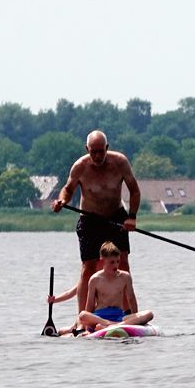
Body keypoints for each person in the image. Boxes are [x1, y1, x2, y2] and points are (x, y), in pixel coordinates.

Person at [51, 130, 141, 319]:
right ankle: (83, 318)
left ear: (107, 148)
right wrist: (62, 201)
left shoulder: (120, 162)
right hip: (89, 220)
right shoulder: (80, 167)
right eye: (94, 152)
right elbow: (67, 189)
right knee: (88, 267)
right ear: (87, 149)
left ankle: (129, 315)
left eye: (101, 151)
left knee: (122, 264)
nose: (98, 156)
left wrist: (131, 217)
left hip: (116, 217)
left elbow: (134, 190)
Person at [78, 241, 153, 332]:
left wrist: (136, 319)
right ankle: (108, 324)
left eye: (117, 261)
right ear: (102, 261)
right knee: (82, 315)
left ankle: (115, 325)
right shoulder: (95, 279)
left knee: (149, 314)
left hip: (119, 316)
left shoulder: (125, 277)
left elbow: (131, 299)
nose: (116, 265)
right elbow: (90, 304)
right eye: (112, 262)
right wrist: (88, 328)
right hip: (100, 316)